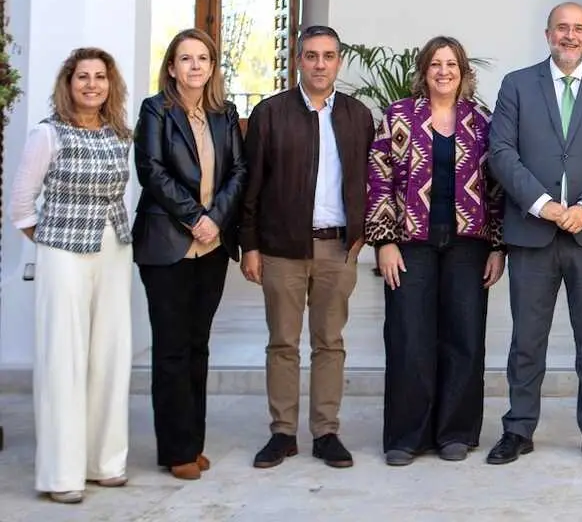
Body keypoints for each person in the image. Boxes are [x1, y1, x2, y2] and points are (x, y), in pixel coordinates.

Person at [485, 2, 582, 466]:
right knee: (527, 338)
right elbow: (501, 151)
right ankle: (519, 428)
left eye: (578, 29)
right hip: (533, 232)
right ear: (546, 33)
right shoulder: (516, 85)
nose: (569, 36)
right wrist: (543, 204)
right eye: (561, 29)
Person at [239, 25, 375, 470]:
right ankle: (282, 433)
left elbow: (369, 182)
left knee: (329, 342)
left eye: (329, 56)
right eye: (312, 56)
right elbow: (252, 185)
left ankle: (326, 431)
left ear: (339, 62)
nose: (320, 64)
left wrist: (362, 235)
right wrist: (250, 246)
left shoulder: (358, 115)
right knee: (282, 342)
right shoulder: (270, 113)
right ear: (298, 60)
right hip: (282, 249)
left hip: (338, 248)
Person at [365, 35, 506, 465]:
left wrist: (498, 246)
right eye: (435, 65)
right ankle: (407, 437)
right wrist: (384, 240)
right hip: (411, 244)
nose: (444, 72)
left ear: (463, 73)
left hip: (469, 244)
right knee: (409, 337)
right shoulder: (399, 115)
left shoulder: (481, 120)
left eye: (452, 65)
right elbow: (378, 177)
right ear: (423, 72)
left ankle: (455, 432)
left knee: (464, 337)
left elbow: (498, 187)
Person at [8, 48, 134, 503]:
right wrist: (49, 241)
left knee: (110, 354)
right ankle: (62, 473)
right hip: (63, 253)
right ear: (69, 82)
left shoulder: (121, 133)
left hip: (114, 247)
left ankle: (105, 462)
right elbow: (21, 204)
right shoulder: (48, 133)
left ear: (109, 85)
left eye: (100, 77)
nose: (91, 85)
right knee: (64, 357)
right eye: (83, 77)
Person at [133, 28, 247, 481]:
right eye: (186, 58)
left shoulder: (225, 113)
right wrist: (193, 217)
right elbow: (151, 171)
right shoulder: (155, 111)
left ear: (213, 67)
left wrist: (215, 219)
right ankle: (176, 448)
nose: (195, 66)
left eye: (203, 58)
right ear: (172, 67)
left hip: (213, 246)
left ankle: (191, 443)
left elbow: (239, 169)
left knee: (198, 346)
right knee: (172, 348)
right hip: (167, 245)